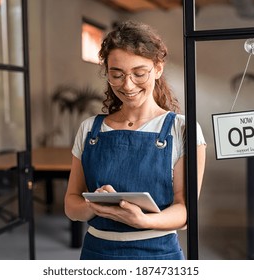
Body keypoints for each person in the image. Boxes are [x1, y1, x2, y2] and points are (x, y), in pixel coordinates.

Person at [64, 20, 206, 260]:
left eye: (139, 73)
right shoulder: (90, 129)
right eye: (116, 75)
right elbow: (71, 204)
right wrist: (95, 206)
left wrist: (142, 220)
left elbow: (185, 211)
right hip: (97, 253)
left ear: (158, 68)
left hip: (158, 254)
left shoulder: (182, 128)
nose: (127, 85)